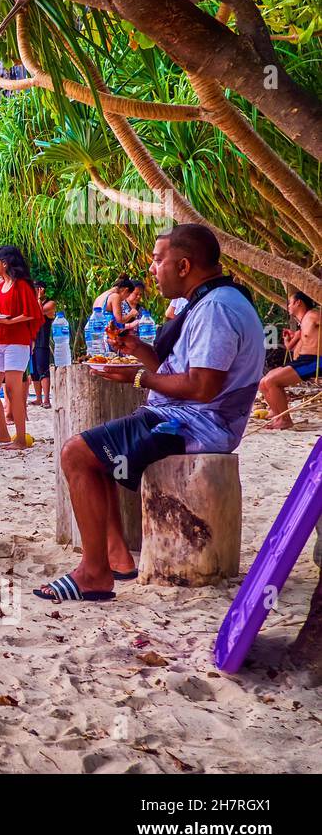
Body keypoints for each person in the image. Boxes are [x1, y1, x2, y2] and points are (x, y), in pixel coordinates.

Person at [41, 223, 264, 602]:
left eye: (158, 260)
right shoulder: (211, 300)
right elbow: (178, 369)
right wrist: (137, 350)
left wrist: (140, 379)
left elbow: (202, 387)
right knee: (95, 453)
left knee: (75, 454)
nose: (151, 270)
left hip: (196, 424)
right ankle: (116, 559)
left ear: (183, 266)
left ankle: (94, 573)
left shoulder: (216, 309)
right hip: (186, 415)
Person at [0, 245, 43, 449]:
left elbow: (34, 313)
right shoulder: (2, 286)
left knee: (12, 388)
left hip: (17, 341)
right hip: (0, 340)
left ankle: (20, 437)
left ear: (5, 263)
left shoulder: (22, 285)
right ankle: (3, 432)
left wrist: (10, 322)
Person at [258, 290, 320, 430]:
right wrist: (288, 339)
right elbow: (290, 348)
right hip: (303, 360)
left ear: (299, 302)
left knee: (272, 381)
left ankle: (285, 420)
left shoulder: (314, 315)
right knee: (263, 382)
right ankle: (277, 413)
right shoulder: (303, 322)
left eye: (290, 303)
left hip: (315, 361)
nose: (288, 307)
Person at [30, 281, 57, 409]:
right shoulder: (32, 302)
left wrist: (39, 299)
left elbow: (38, 315)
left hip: (42, 340)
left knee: (43, 369)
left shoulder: (50, 303)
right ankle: (38, 398)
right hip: (32, 339)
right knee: (34, 370)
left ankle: (46, 398)